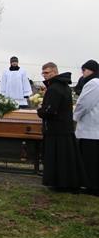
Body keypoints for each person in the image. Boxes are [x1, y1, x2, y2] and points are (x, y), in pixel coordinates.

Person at [38, 62, 86, 191]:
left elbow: (49, 110)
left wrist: (40, 111)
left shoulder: (54, 88)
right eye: (43, 73)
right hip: (63, 127)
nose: (44, 75)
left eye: (47, 73)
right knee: (65, 159)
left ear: (55, 72)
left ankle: (59, 183)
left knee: (58, 159)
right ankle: (65, 183)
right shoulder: (63, 86)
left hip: (56, 129)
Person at [73, 60, 99, 194]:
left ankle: (92, 186)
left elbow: (84, 104)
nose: (82, 73)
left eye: (84, 70)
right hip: (94, 128)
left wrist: (75, 117)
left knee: (90, 161)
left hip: (91, 129)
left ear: (91, 70)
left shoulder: (93, 83)